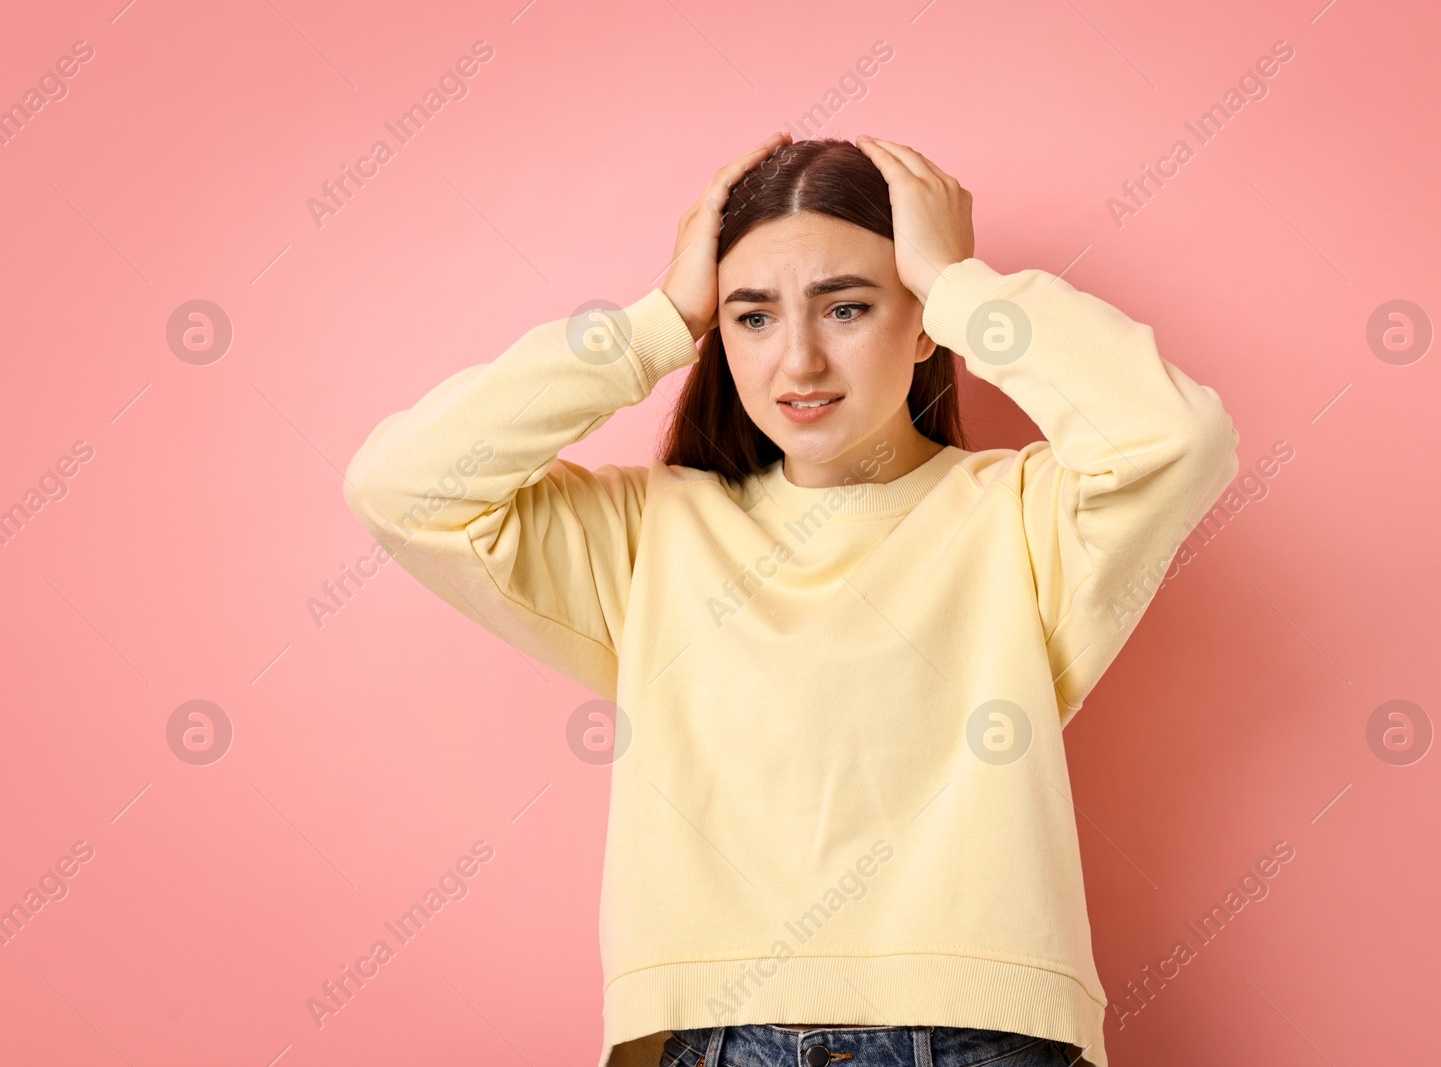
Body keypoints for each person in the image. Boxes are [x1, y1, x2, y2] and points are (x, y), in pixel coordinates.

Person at [343, 131, 1240, 1067]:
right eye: (753, 318)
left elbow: (1177, 438)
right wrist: (657, 320)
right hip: (717, 1040)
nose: (799, 362)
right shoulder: (648, 535)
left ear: (923, 318)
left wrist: (960, 281)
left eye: (846, 307)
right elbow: (402, 486)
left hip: (981, 1038)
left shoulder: (1020, 517)